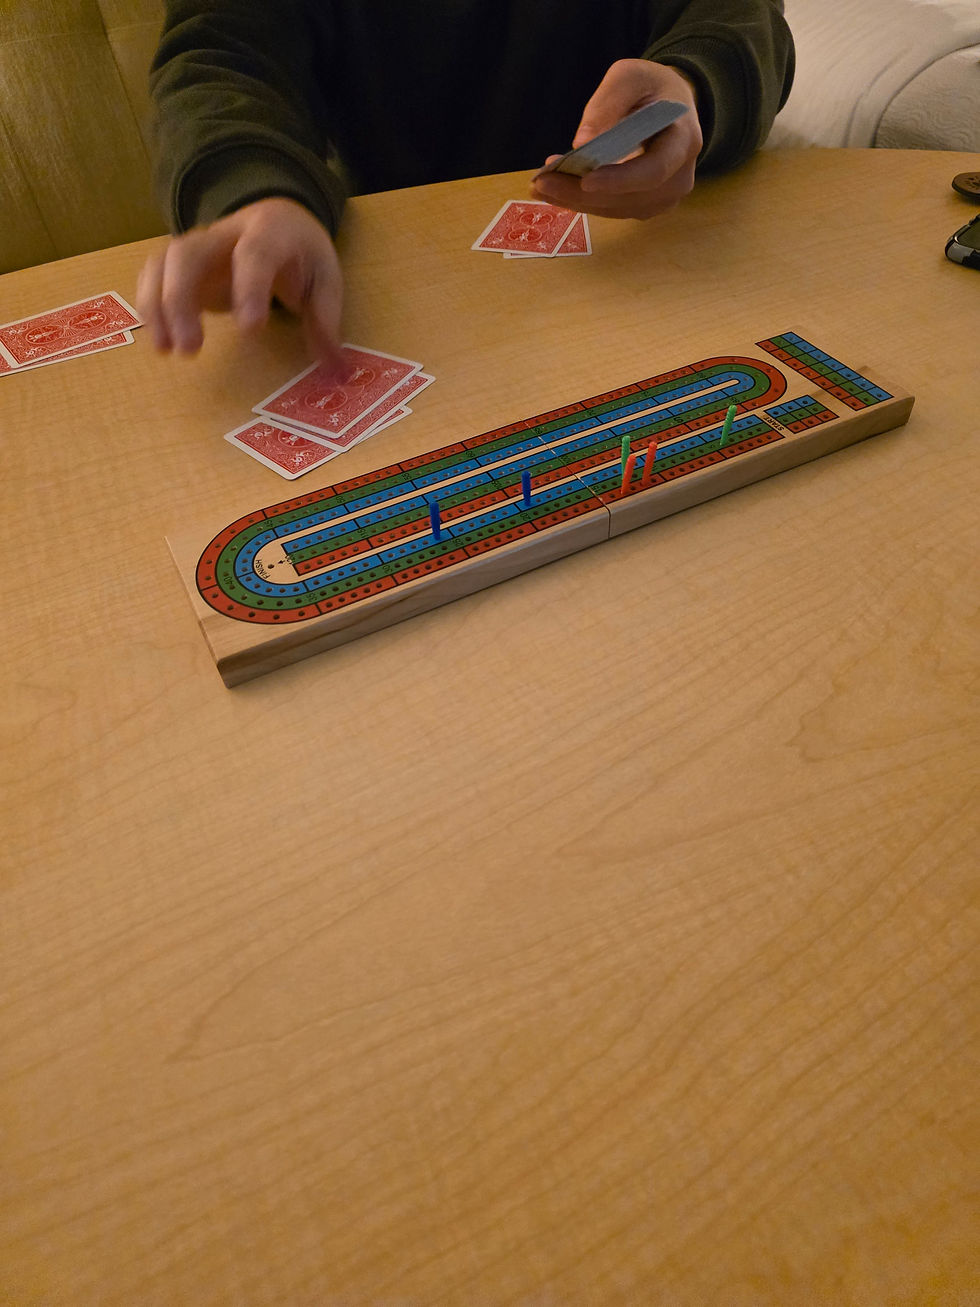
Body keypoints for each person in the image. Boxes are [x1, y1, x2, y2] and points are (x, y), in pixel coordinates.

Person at [138, 1, 794, 373]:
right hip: (408, 293)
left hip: (649, 276)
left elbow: (738, 16)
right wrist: (256, 190)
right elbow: (221, 56)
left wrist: (693, 87)